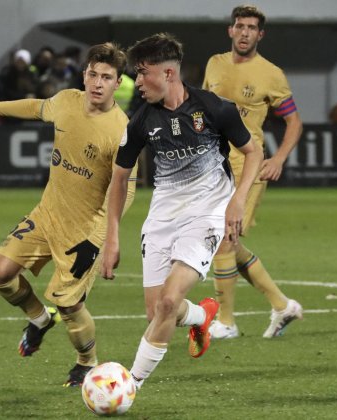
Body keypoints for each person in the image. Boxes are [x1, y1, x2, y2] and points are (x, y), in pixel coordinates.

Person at [0, 42, 138, 387]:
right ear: (85, 75)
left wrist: (101, 238)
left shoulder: (122, 130)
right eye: (94, 74)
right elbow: (35, 107)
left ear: (118, 83)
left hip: (83, 230)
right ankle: (39, 319)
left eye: (107, 77)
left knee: (69, 307)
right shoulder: (67, 101)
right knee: (0, 274)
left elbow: (126, 188)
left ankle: (87, 361)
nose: (98, 82)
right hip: (47, 214)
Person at [101, 33, 262, 390]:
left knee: (169, 301)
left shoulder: (215, 108)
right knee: (157, 312)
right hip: (162, 217)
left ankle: (130, 385)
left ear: (169, 73)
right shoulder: (140, 121)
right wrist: (112, 238)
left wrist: (237, 200)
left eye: (143, 73)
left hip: (206, 214)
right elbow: (120, 178)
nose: (137, 82)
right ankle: (203, 314)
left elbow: (254, 153)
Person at [202, 5, 304, 340]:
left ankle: (227, 322)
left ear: (260, 35)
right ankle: (281, 304)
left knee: (224, 239)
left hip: (248, 166)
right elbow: (201, 110)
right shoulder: (214, 64)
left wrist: (279, 158)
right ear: (230, 30)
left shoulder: (271, 74)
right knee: (225, 240)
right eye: (240, 26)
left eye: (251, 28)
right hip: (212, 165)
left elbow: (294, 121)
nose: (244, 32)